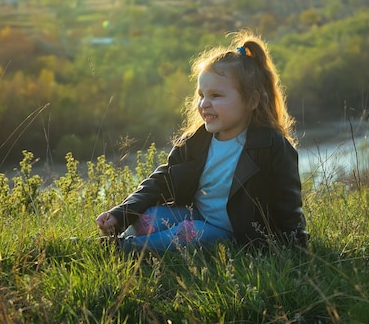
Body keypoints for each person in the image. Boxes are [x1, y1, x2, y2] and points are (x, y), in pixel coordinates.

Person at [96, 30, 309, 254]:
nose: (204, 104)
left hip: (235, 234)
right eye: (201, 95)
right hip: (197, 215)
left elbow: (288, 206)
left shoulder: (271, 146)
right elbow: (161, 181)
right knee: (147, 219)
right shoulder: (197, 141)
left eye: (216, 96)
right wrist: (121, 214)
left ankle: (120, 250)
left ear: (252, 100)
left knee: (191, 232)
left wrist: (294, 246)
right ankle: (125, 241)